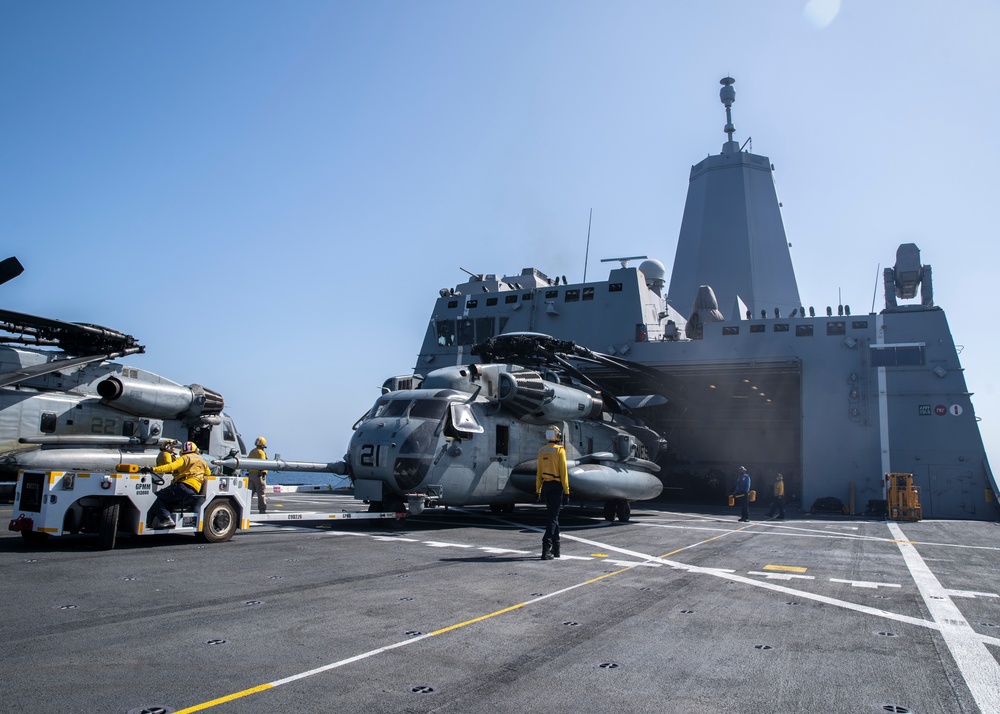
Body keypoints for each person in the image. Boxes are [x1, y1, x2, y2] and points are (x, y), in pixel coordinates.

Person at [142, 441, 210, 528]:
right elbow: (208, 473)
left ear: (182, 451)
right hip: (194, 492)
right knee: (166, 500)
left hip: (182, 487)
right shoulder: (202, 461)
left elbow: (170, 467)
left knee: (154, 498)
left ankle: (166, 519)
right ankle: (151, 522)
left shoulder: (184, 458)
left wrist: (152, 469)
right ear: (196, 450)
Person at [535, 425, 570, 560]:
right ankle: (546, 546)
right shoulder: (560, 451)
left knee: (553, 516)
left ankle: (556, 548)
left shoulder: (542, 451)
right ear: (558, 437)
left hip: (546, 486)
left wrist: (537, 490)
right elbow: (564, 473)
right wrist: (567, 491)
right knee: (553, 517)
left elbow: (538, 473)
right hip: (557, 486)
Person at [248, 436, 268, 514]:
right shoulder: (261, 453)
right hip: (259, 476)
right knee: (261, 494)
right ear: (262, 445)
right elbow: (263, 464)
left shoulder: (252, 451)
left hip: (251, 475)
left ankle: (245, 509)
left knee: (249, 494)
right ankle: (262, 510)